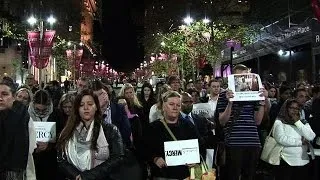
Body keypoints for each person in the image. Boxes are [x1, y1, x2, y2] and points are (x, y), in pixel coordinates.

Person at [57, 89, 125, 180]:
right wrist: (76, 176)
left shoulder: (110, 130)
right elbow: (61, 159)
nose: (86, 108)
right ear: (77, 109)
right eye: (81, 105)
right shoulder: (68, 131)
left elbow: (118, 157)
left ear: (96, 107)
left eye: (90, 104)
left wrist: (89, 176)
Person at [217, 64, 269, 180]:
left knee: (249, 176)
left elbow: (258, 121)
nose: (243, 80)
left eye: (246, 76)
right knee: (232, 176)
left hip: (253, 142)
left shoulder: (254, 94)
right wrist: (230, 102)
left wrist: (262, 101)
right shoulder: (223, 95)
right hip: (233, 142)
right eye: (240, 77)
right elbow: (222, 121)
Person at [146, 91, 201, 179]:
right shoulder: (153, 128)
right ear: (163, 106)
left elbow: (200, 146)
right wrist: (154, 158)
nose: (175, 107)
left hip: (185, 176)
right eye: (171, 104)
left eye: (178, 105)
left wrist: (196, 160)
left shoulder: (188, 125)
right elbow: (143, 149)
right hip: (162, 176)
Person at [273, 99, 315, 180]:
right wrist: (300, 142)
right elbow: (281, 139)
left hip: (303, 161)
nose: (294, 111)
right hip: (286, 161)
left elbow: (311, 136)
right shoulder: (279, 121)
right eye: (291, 108)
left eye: (297, 108)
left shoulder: (303, 122)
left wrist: (298, 122)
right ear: (286, 108)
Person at [0, 80, 34, 180]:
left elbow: (31, 147)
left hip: (14, 172)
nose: (0, 98)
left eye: (5, 94)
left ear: (14, 97)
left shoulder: (24, 117)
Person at [29, 90, 60, 180]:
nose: (41, 112)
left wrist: (49, 144)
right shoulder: (27, 114)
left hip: (51, 159)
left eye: (44, 109)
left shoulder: (56, 113)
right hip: (32, 158)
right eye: (38, 109)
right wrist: (33, 146)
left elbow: (62, 134)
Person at [91, 80, 132, 148]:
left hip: (117, 148)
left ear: (107, 93)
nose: (100, 97)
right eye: (96, 96)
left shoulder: (119, 109)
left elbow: (126, 133)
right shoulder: (91, 112)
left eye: (101, 93)